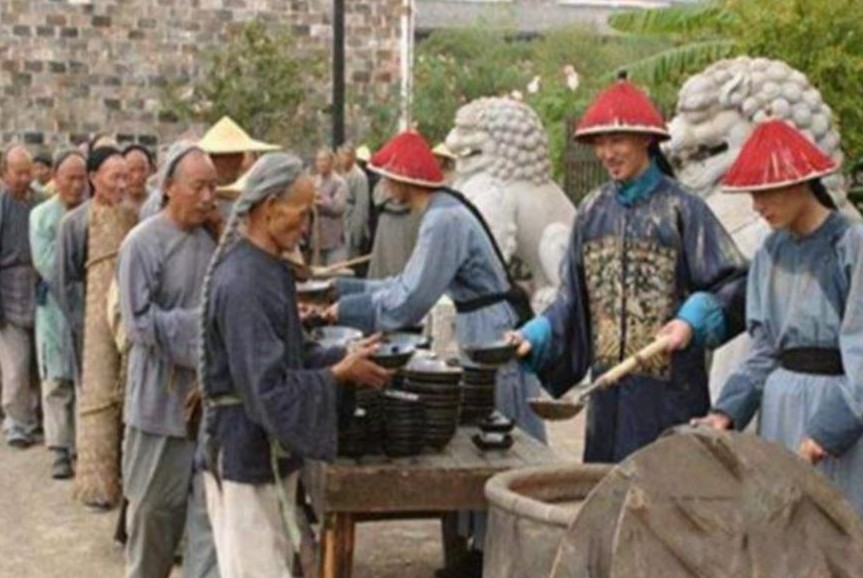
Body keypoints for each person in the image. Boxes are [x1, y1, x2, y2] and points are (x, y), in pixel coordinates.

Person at [324, 132, 546, 576]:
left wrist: (342, 309)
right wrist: (342, 290)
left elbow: (411, 299)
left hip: (490, 330)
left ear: (404, 180)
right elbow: (404, 282)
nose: (383, 187)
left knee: (498, 440)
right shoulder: (442, 209)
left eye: (388, 178)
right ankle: (478, 552)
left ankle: (500, 558)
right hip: (478, 324)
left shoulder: (442, 220)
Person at [508, 79, 748, 464]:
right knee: (608, 499)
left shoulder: (682, 209)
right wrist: (534, 334)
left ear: (645, 140)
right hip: (608, 398)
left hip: (669, 397)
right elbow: (573, 301)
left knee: (666, 501)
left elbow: (736, 283)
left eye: (616, 141)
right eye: (599, 142)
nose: (606, 153)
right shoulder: (591, 211)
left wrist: (692, 320)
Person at [199, 152, 389, 577]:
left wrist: (345, 356)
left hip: (263, 451)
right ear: (269, 210)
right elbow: (266, 388)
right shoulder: (244, 282)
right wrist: (336, 375)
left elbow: (292, 355)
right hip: (244, 458)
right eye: (302, 215)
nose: (306, 227)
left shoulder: (268, 269)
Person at [694, 119, 863, 516]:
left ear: (801, 182)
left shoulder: (851, 244)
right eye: (754, 192)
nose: (758, 204)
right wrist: (726, 411)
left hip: (839, 406)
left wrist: (829, 429)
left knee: (838, 529)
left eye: (767, 191)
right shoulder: (770, 252)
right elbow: (763, 348)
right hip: (781, 407)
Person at [117, 144, 221, 578]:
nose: (208, 198)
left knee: (208, 534)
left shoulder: (212, 243)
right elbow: (138, 324)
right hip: (157, 410)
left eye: (213, 187)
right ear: (170, 187)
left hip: (207, 411)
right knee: (152, 531)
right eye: (199, 187)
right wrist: (203, 327)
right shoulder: (141, 244)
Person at [57, 146, 137, 510]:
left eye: (127, 176)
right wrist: (85, 325)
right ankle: (97, 484)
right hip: (91, 328)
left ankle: (128, 479)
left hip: (128, 324)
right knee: (96, 401)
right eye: (115, 176)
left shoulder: (135, 219)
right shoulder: (74, 224)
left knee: (129, 400)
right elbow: (66, 280)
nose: (123, 184)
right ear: (94, 179)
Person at [29, 150, 87, 478]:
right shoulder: (41, 216)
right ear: (56, 178)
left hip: (89, 309)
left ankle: (83, 447)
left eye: (82, 178)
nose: (77, 185)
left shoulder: (97, 214)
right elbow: (50, 265)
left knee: (85, 381)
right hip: (53, 308)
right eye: (70, 178)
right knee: (55, 380)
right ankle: (59, 449)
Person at [0, 144, 40, 448]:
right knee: (15, 364)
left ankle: (36, 417)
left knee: (41, 362)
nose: (26, 178)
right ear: (5, 173)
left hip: (38, 286)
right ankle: (17, 422)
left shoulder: (41, 201)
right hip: (8, 286)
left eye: (29, 171)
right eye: (19, 172)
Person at [311, 147, 348, 266]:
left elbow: (339, 207)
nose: (321, 164)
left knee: (334, 275)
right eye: (318, 160)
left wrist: (322, 198)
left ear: (331, 162)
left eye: (324, 160)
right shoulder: (314, 181)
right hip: (317, 238)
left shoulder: (339, 182)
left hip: (334, 239)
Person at [337, 143, 371, 262]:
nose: (341, 159)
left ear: (352, 157)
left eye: (344, 156)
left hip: (352, 224)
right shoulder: (341, 173)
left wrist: (356, 234)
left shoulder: (359, 177)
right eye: (340, 156)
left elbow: (361, 207)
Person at [122, 144, 155, 213]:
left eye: (142, 170)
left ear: (151, 170)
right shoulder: (113, 201)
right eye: (131, 170)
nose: (136, 176)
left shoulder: (158, 202)